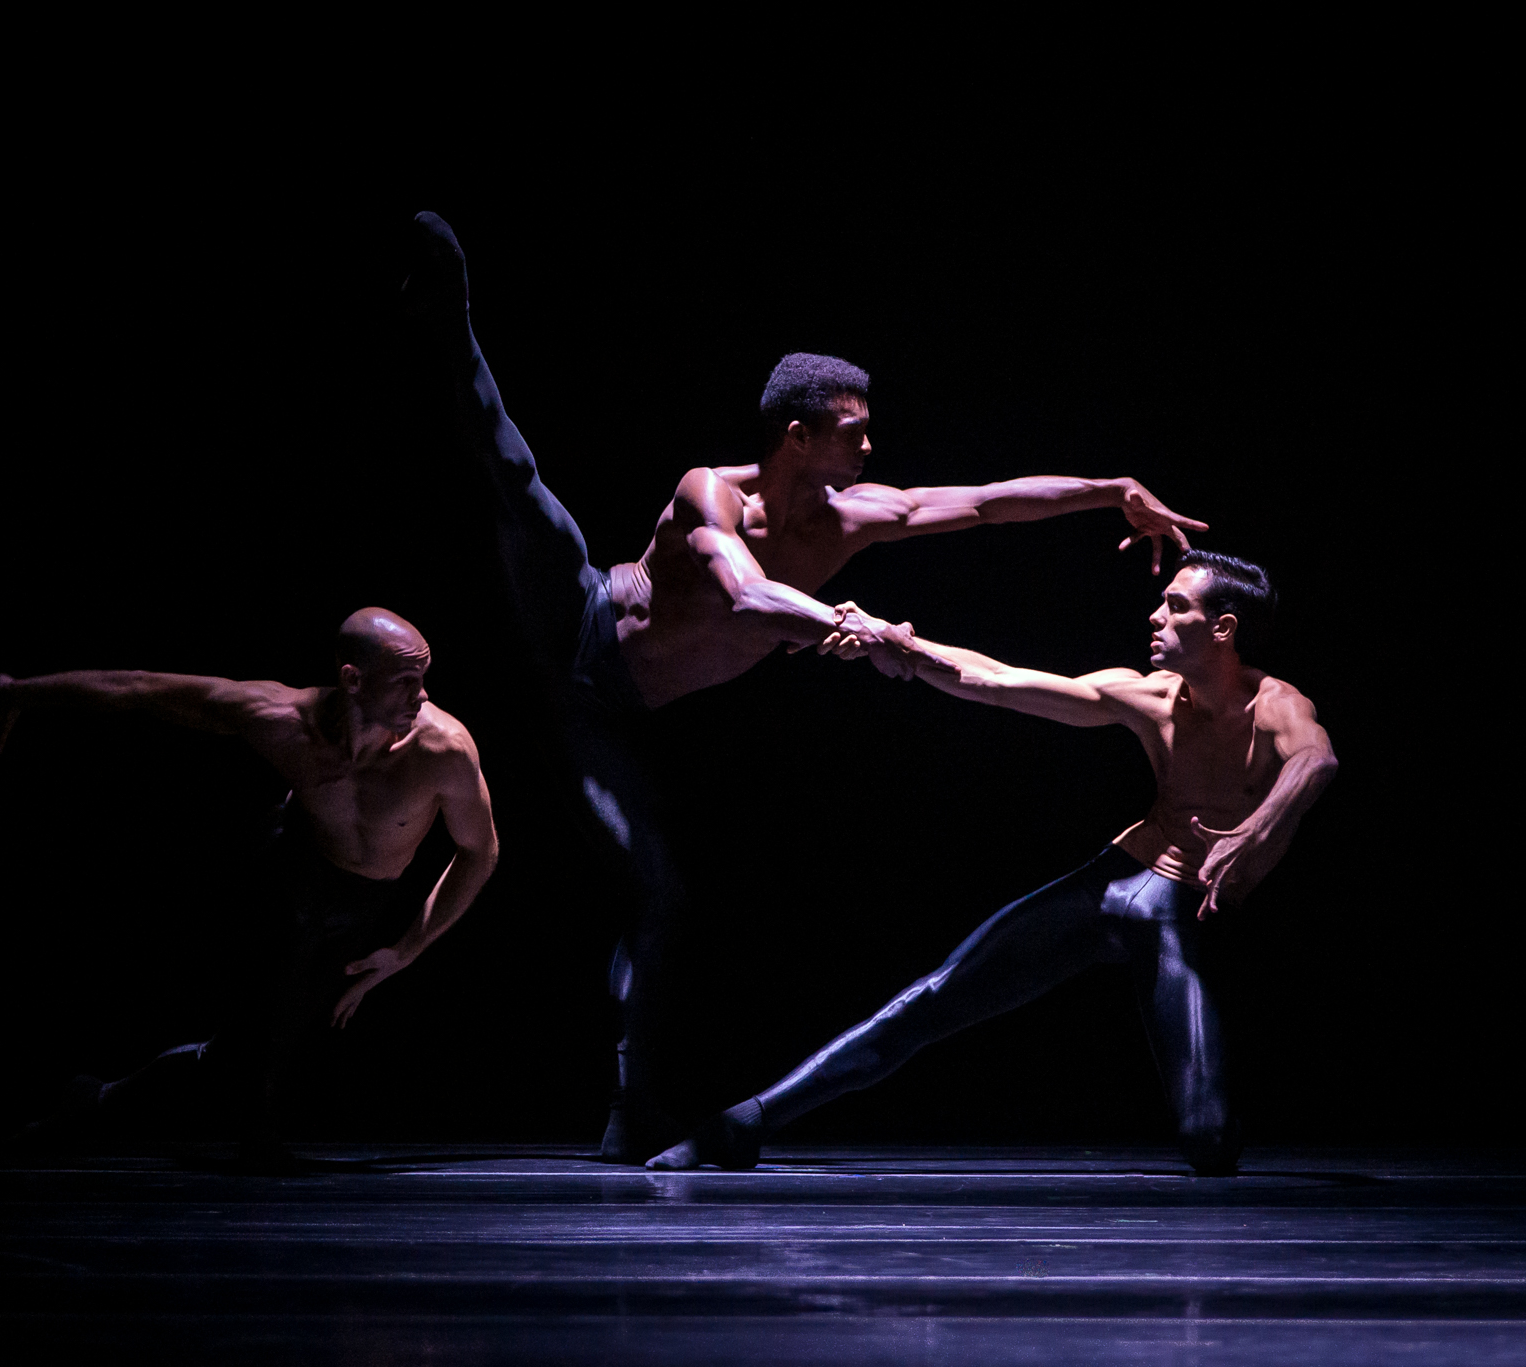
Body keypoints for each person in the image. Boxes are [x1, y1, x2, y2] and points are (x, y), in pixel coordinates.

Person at [402, 211, 1208, 1161]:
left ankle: (630, 1110)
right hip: (577, 620)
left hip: (610, 710)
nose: (870, 450)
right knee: (517, 478)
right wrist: (850, 627)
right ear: (799, 435)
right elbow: (745, 594)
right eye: (852, 434)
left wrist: (1110, 489)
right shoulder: (709, 492)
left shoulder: (852, 518)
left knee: (659, 894)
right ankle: (451, 312)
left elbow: (986, 504)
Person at [647, 551, 1335, 1176]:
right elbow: (997, 679)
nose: (1155, 615)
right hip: (1116, 883)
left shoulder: (1274, 704)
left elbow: (1315, 759)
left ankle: (1216, 1126)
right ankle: (742, 1123)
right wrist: (897, 641)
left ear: (1223, 629)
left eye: (1177, 606)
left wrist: (1257, 827)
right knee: (935, 997)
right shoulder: (1148, 696)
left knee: (1208, 1143)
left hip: (1181, 916)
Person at [0, 607, 498, 1164]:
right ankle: (255, 1138)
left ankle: (97, 1102)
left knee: (238, 1054)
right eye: (405, 680)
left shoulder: (444, 750)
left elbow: (480, 851)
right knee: (258, 1043)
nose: (422, 695)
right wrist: (16, 692)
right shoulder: (282, 718)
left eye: (423, 678)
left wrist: (406, 950)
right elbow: (139, 688)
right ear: (352, 679)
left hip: (358, 904)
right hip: (288, 872)